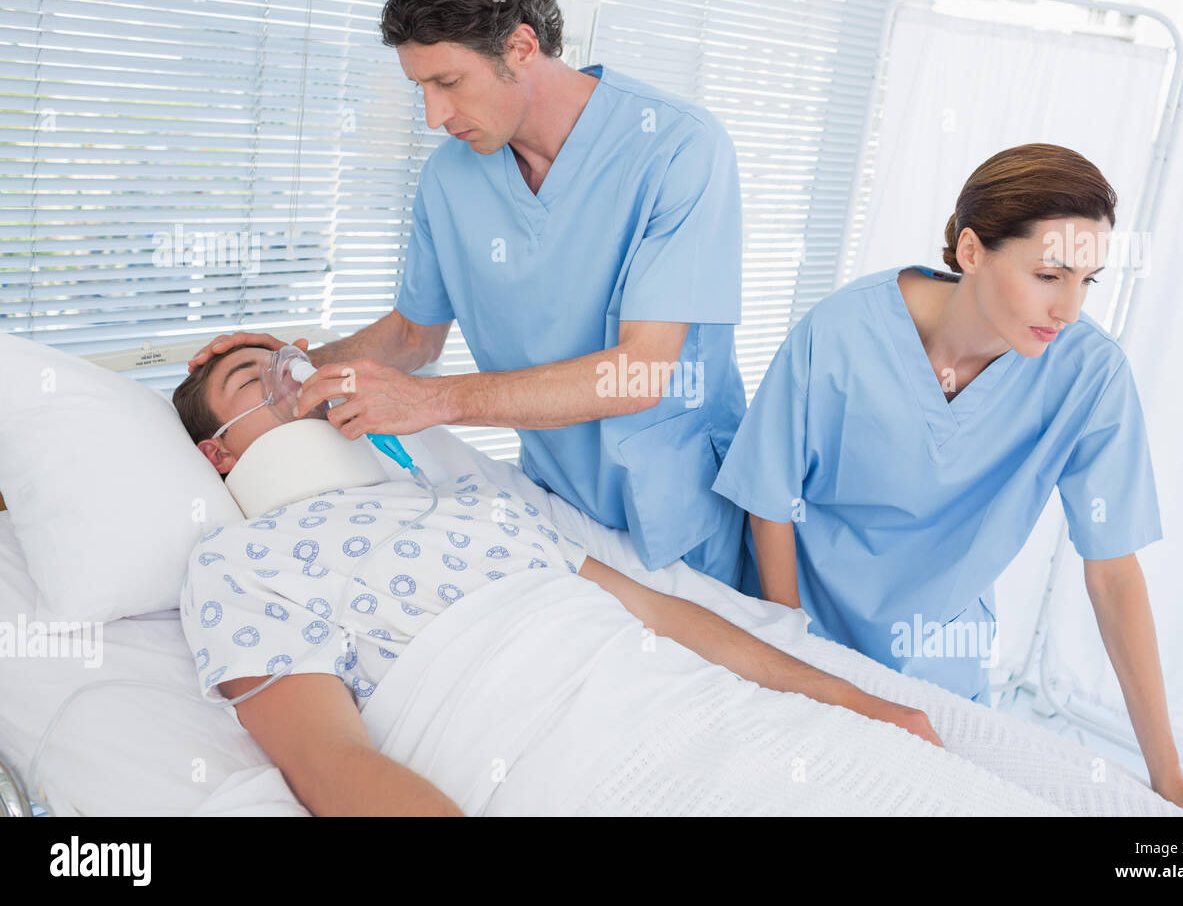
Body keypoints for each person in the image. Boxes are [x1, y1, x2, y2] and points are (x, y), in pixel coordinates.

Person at [710, 143, 1183, 817]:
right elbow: (770, 500)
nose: (1069, 310)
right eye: (1050, 275)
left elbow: (1113, 573)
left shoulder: (1088, 375)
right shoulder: (844, 331)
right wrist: (793, 660)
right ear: (971, 251)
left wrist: (1169, 780)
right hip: (809, 628)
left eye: (1088, 281)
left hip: (941, 660)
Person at [170, 344, 946, 816]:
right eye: (255, 378)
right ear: (219, 454)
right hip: (554, 759)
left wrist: (861, 703)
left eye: (296, 364)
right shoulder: (238, 564)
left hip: (701, 714)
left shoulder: (468, 497)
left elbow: (662, 616)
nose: (293, 380)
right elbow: (328, 762)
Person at [185, 0, 747, 589]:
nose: (433, 116)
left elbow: (639, 373)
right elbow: (412, 336)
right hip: (557, 498)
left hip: (681, 507)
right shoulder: (450, 177)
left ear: (521, 47)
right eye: (418, 88)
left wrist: (435, 400)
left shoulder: (677, 148)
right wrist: (285, 367)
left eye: (448, 83)